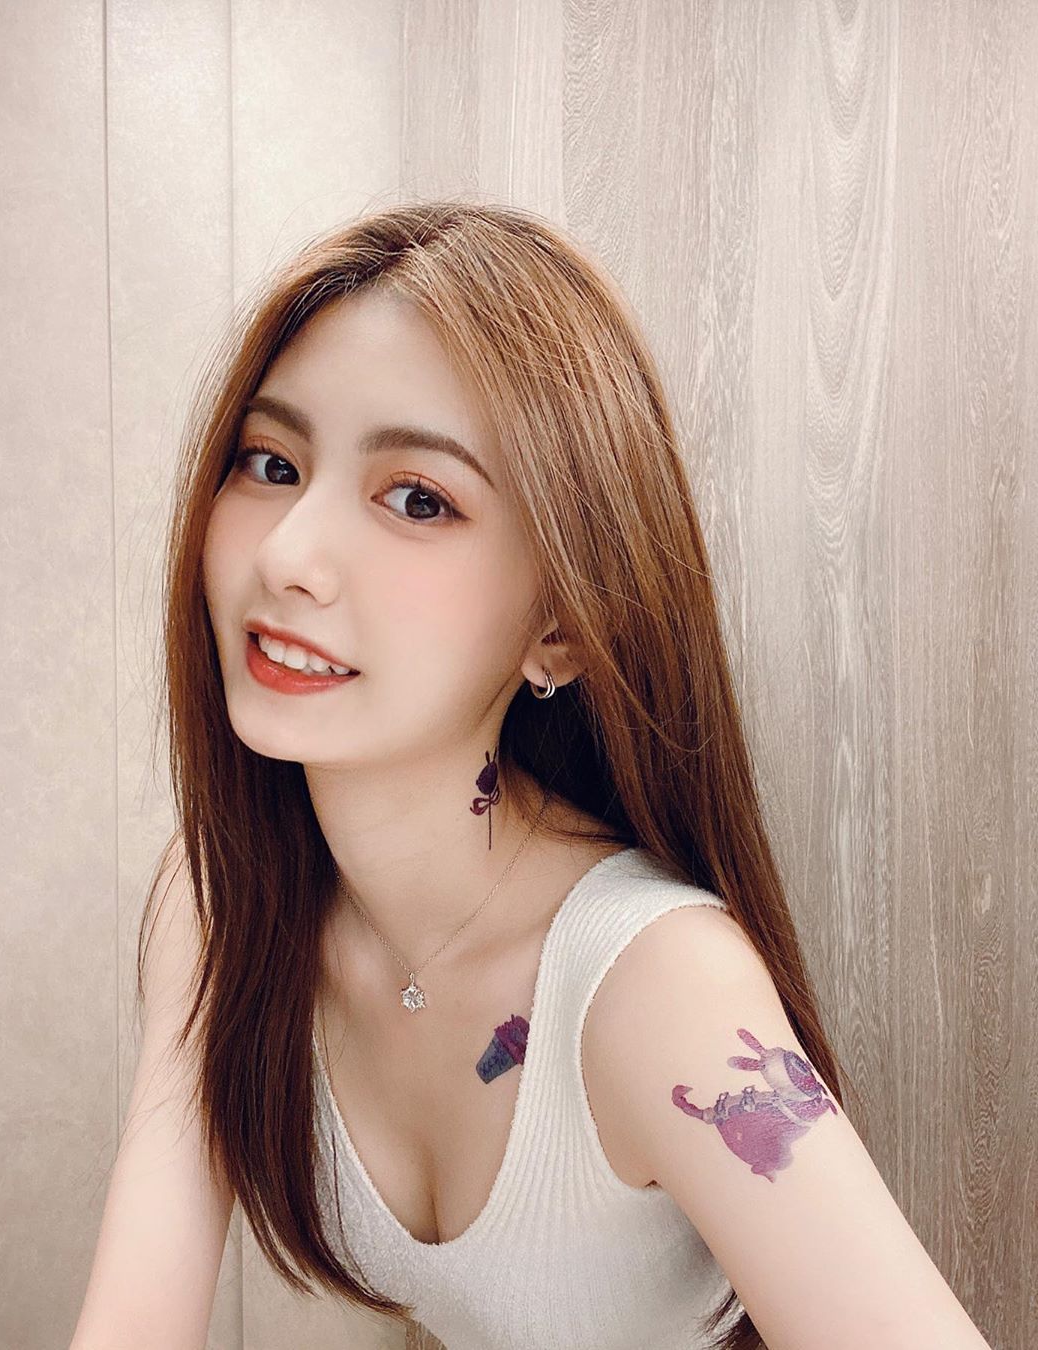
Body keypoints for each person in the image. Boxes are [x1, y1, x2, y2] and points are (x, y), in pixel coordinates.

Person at [69, 200, 992, 1350]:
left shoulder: (659, 986)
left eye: (419, 499)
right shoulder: (219, 902)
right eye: (272, 463)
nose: (290, 555)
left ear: (559, 626)